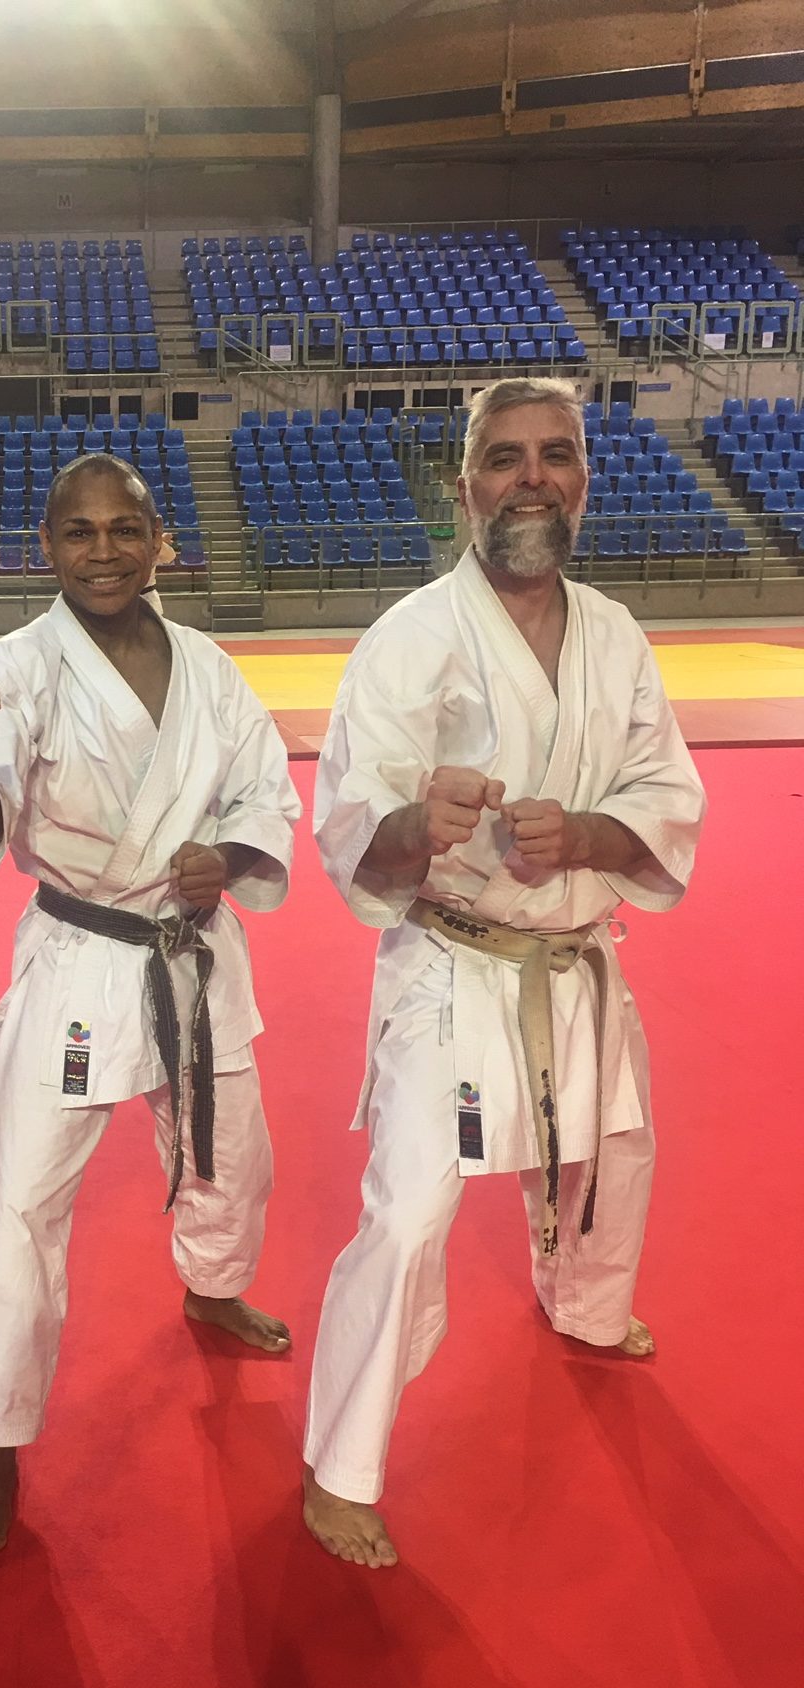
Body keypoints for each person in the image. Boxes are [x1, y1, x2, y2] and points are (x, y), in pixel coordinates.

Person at [303, 377, 706, 1569]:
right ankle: (340, 1464)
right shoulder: (411, 639)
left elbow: (665, 796)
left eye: (555, 455)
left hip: (580, 962)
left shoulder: (618, 635)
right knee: (410, 1211)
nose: (532, 478)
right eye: (504, 458)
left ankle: (584, 1300)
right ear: (463, 485)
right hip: (457, 964)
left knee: (614, 1152)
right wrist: (413, 825)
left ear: (585, 479)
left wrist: (584, 836)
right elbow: (353, 827)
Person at [0, 452, 302, 1555]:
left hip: (195, 952)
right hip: (81, 959)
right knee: (22, 1203)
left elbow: (264, 794)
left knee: (233, 1157)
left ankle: (212, 1286)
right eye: (78, 533)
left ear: (159, 540)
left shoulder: (210, 668)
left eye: (124, 530)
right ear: (46, 546)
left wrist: (227, 858)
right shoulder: (16, 669)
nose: (103, 552)